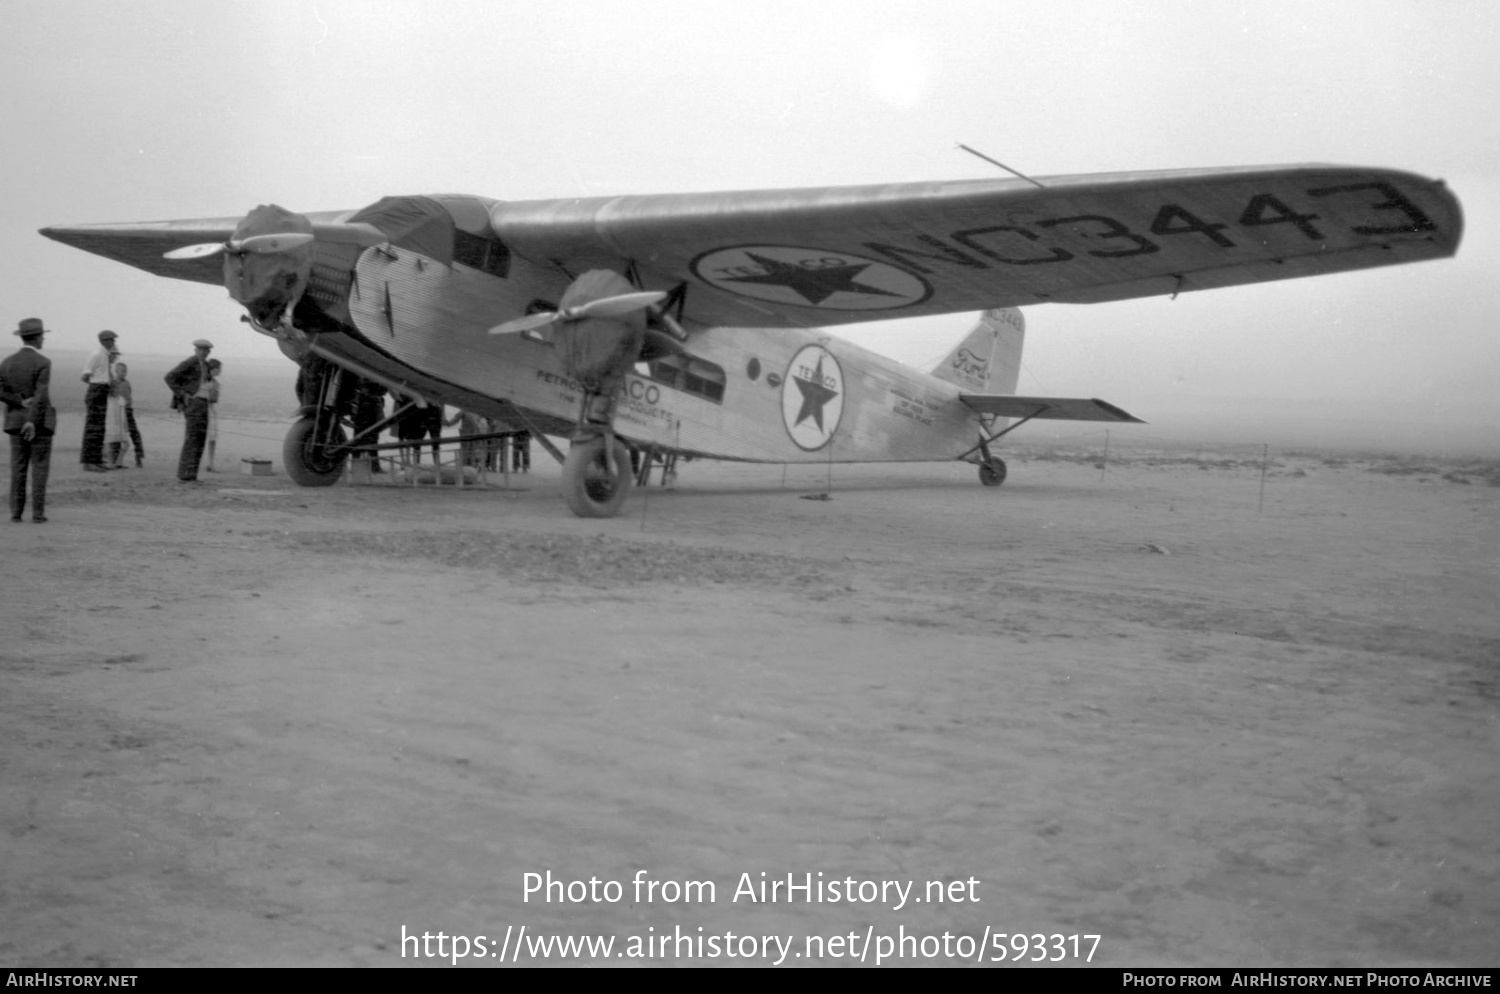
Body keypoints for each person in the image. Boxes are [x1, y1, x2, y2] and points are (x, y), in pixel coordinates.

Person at [1, 317, 55, 522]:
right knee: (40, 468)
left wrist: (17, 402)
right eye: (42, 336)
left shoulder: (7, 362)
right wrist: (31, 420)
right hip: (39, 424)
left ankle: (16, 513)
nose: (43, 340)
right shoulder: (43, 362)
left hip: (14, 421)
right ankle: (38, 513)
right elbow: (41, 394)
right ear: (36, 338)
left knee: (18, 467)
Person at [164, 338, 214, 482]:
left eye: (206, 350)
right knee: (193, 439)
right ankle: (185, 475)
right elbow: (169, 377)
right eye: (202, 350)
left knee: (200, 439)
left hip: (203, 403)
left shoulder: (205, 365)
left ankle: (191, 475)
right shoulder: (190, 362)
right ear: (196, 350)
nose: (204, 352)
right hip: (193, 404)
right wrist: (182, 394)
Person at [78, 329, 116, 471]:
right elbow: (85, 376)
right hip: (96, 391)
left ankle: (97, 460)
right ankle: (89, 462)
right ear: (103, 341)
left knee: (99, 428)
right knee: (93, 428)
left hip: (102, 390)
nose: (113, 342)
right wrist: (97, 385)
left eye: (113, 340)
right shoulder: (96, 354)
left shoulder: (106, 355)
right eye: (110, 340)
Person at [109, 359, 145, 467]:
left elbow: (129, 395)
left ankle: (139, 456)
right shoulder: (113, 383)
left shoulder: (127, 382)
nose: (124, 373)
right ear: (116, 371)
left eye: (125, 371)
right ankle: (116, 461)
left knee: (135, 433)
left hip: (128, 411)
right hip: (118, 414)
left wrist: (128, 405)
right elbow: (112, 398)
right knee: (118, 436)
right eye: (122, 371)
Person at [204, 358, 222, 471]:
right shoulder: (211, 383)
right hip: (207, 410)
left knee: (212, 438)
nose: (220, 371)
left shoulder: (214, 383)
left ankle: (211, 463)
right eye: (219, 369)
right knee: (211, 438)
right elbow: (213, 399)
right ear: (214, 369)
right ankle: (210, 463)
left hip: (210, 409)